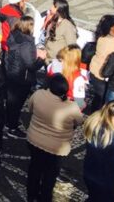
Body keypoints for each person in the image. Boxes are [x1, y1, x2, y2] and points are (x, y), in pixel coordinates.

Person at [25, 74, 84, 202]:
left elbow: (30, 108)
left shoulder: (38, 94)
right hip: (56, 148)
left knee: (34, 168)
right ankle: (45, 198)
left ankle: (31, 195)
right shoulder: (71, 106)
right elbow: (79, 122)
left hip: (35, 140)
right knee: (50, 175)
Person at [4, 15, 45, 138]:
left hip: (12, 73)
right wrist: (41, 59)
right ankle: (12, 128)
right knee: (16, 104)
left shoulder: (14, 35)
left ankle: (9, 121)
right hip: (22, 77)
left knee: (11, 102)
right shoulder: (26, 43)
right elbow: (31, 66)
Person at [83, 100, 114, 201]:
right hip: (106, 180)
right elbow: (112, 168)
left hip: (89, 172)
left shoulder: (95, 125)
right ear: (109, 117)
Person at [87, 14, 114, 113]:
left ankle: (93, 114)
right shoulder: (113, 43)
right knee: (101, 99)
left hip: (95, 70)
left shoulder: (102, 37)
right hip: (102, 75)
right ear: (111, 28)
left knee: (98, 97)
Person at [46, 44, 89, 110]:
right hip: (66, 108)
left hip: (49, 102)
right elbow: (79, 104)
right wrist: (84, 104)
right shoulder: (78, 79)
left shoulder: (51, 66)